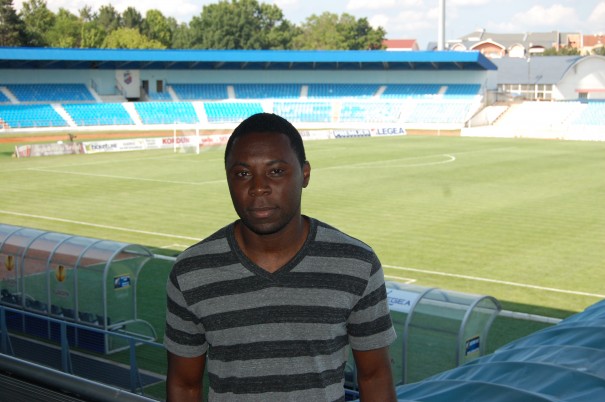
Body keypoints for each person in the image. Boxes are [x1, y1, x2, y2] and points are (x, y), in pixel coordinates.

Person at [165, 112, 397, 401]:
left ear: (305, 175)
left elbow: (375, 376)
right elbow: (184, 385)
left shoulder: (357, 264)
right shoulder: (191, 272)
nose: (258, 187)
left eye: (276, 171)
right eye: (242, 174)